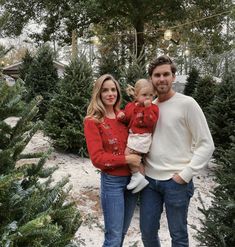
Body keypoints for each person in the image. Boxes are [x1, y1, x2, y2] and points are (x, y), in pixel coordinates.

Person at [139, 55, 215, 247]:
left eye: (166, 74)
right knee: (147, 232)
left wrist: (186, 174)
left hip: (176, 182)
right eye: (157, 75)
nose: (161, 79)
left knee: (178, 235)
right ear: (151, 79)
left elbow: (206, 143)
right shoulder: (150, 107)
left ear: (173, 77)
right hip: (149, 182)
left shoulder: (187, 104)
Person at [84, 74, 141, 247]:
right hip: (113, 182)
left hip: (132, 181)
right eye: (105, 90)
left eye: (113, 89)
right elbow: (97, 158)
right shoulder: (93, 121)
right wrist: (127, 159)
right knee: (113, 237)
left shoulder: (123, 117)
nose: (110, 93)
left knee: (122, 233)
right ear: (98, 94)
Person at [117, 79, 159, 193]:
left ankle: (137, 176)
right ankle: (141, 178)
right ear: (136, 95)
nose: (148, 98)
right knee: (137, 160)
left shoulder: (153, 108)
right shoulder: (130, 106)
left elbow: (150, 122)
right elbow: (127, 119)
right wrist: (122, 116)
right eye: (144, 95)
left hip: (142, 137)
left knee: (128, 153)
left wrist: (148, 108)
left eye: (151, 95)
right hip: (133, 136)